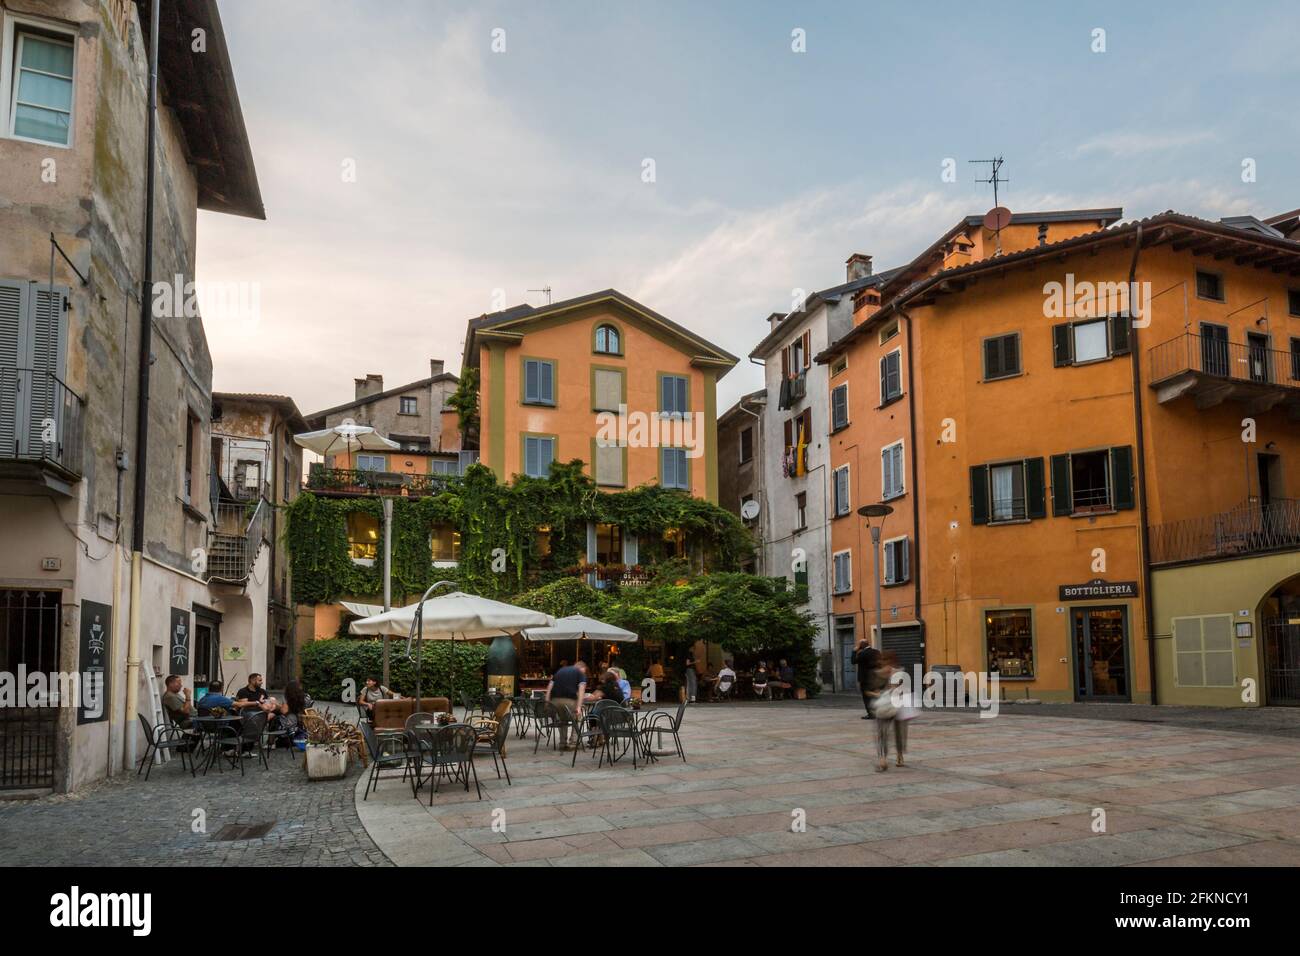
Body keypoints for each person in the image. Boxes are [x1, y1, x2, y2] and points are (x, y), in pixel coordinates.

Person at [867, 651, 907, 772]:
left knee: (882, 733)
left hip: (884, 706)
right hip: (897, 705)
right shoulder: (900, 672)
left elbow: (870, 691)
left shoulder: (877, 674)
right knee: (899, 732)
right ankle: (899, 756)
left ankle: (883, 759)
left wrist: (879, 694)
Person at [545, 660, 587, 750]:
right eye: (584, 671)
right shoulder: (580, 672)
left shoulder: (560, 670)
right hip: (569, 700)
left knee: (563, 720)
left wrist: (547, 702)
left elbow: (549, 687)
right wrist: (579, 706)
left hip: (555, 701)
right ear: (581, 668)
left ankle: (562, 743)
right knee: (577, 718)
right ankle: (573, 743)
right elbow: (581, 689)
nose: (584, 673)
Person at [853, 638, 882, 720]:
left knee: (867, 697)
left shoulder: (862, 654)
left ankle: (871, 714)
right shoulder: (877, 652)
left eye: (859, 644)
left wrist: (854, 651)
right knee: (876, 695)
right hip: (876, 677)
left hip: (865, 679)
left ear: (862, 645)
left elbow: (853, 661)